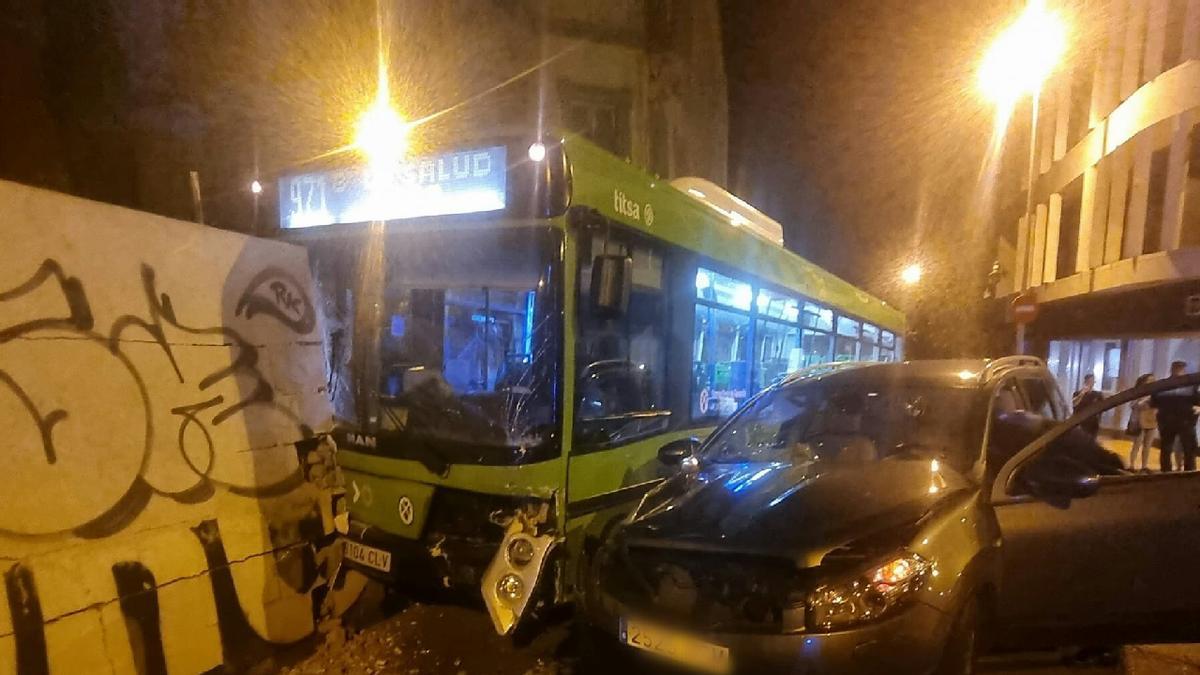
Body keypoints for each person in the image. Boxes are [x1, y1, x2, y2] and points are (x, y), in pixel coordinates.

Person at [1150, 360, 1200, 472]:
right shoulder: (1162, 385)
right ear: (1172, 369)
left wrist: (1197, 409)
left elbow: (1197, 401)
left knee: (1189, 448)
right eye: (1177, 368)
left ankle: (1189, 471)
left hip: (1186, 420)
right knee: (1166, 448)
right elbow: (1154, 402)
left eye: (1181, 369)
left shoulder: (1192, 385)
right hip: (1168, 420)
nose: (1179, 371)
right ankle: (1166, 471)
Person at [1127, 374, 1157, 472]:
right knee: (1137, 444)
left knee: (1147, 446)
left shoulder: (1156, 393)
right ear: (1144, 381)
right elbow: (1132, 405)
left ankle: (1144, 466)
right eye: (1150, 380)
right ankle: (1131, 465)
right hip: (1139, 420)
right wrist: (1144, 400)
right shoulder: (1138, 392)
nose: (1152, 381)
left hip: (1152, 420)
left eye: (1153, 380)